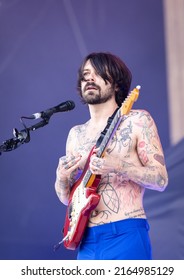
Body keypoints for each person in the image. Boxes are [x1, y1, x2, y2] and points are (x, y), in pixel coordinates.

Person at [54, 52, 168, 260]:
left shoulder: (137, 120)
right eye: (86, 74)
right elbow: (67, 200)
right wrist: (61, 178)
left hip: (125, 233)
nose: (90, 78)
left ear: (116, 84)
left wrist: (119, 166)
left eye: (98, 73)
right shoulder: (75, 134)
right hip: (86, 241)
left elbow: (160, 180)